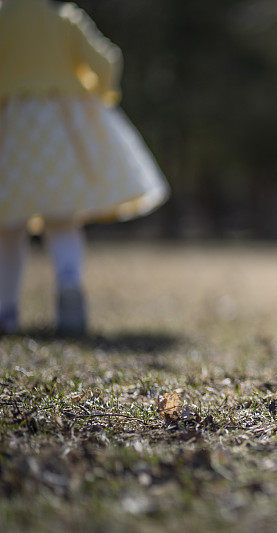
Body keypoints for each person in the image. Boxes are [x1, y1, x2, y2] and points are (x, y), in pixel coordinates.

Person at [0, 0, 169, 336]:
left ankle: (5, 310)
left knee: (7, 227)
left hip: (10, 131)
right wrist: (92, 92)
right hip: (61, 132)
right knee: (62, 220)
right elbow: (106, 61)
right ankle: (68, 287)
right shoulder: (65, 20)